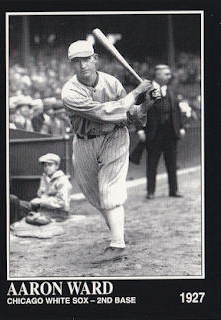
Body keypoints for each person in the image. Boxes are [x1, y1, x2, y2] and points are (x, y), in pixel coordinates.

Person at [61, 40, 158, 263]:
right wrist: (136, 93)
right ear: (71, 65)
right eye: (77, 61)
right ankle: (118, 233)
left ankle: (117, 245)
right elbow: (104, 111)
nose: (83, 65)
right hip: (84, 141)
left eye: (87, 59)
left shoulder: (112, 83)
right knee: (94, 194)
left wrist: (145, 105)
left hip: (114, 137)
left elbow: (129, 114)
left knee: (109, 191)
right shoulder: (69, 92)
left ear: (95, 59)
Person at [137, 64, 185, 200]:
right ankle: (150, 191)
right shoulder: (145, 91)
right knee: (152, 163)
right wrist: (140, 130)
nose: (169, 76)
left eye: (169, 74)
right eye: (166, 74)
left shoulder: (171, 90)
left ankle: (173, 190)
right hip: (153, 133)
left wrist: (180, 127)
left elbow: (177, 110)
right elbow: (139, 111)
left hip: (170, 132)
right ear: (158, 75)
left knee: (172, 163)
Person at [20, 153, 72, 222]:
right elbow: (40, 195)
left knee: (33, 220)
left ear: (57, 166)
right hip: (43, 209)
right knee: (17, 204)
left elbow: (61, 202)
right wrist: (36, 201)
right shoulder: (45, 178)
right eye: (45, 165)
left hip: (57, 213)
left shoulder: (62, 180)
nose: (47, 168)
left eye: (50, 165)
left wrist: (40, 201)